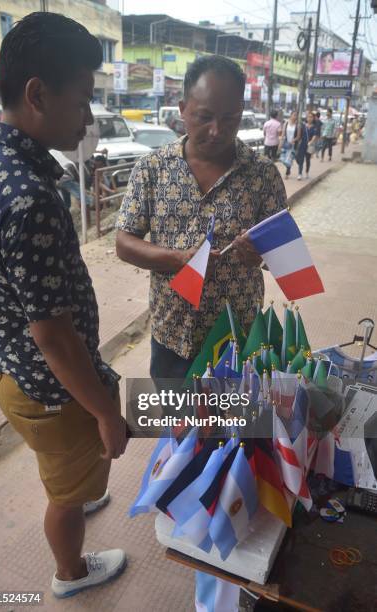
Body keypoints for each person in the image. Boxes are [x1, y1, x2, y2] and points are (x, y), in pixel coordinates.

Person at [116, 53, 287, 612]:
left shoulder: (262, 173)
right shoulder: (154, 168)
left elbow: (282, 244)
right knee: (182, 444)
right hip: (173, 340)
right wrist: (175, 257)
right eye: (205, 116)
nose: (218, 131)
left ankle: (230, 562)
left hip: (238, 348)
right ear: (183, 109)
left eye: (232, 118)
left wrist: (259, 248)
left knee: (237, 449)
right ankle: (186, 534)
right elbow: (123, 241)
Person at [0, 13, 128, 598]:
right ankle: (70, 572)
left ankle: (78, 482)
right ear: (38, 94)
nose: (89, 117)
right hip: (49, 383)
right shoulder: (28, 197)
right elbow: (55, 338)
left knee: (71, 467)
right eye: (84, 99)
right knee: (66, 493)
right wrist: (107, 416)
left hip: (7, 365)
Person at [295, 111, 318, 180]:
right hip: (302, 144)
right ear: (306, 118)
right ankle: (300, 173)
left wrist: (311, 141)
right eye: (308, 117)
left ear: (313, 118)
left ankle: (306, 172)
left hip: (309, 145)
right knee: (299, 159)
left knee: (308, 159)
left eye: (311, 117)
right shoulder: (303, 126)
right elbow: (299, 134)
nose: (309, 118)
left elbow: (315, 135)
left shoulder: (314, 127)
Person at [279, 110, 301, 179]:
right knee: (282, 159)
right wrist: (280, 143)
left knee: (288, 159)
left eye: (296, 115)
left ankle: (287, 173)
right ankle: (290, 166)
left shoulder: (298, 125)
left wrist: (293, 140)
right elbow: (282, 135)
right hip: (285, 144)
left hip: (293, 145)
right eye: (294, 115)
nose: (295, 116)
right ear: (291, 115)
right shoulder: (286, 123)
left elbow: (298, 136)